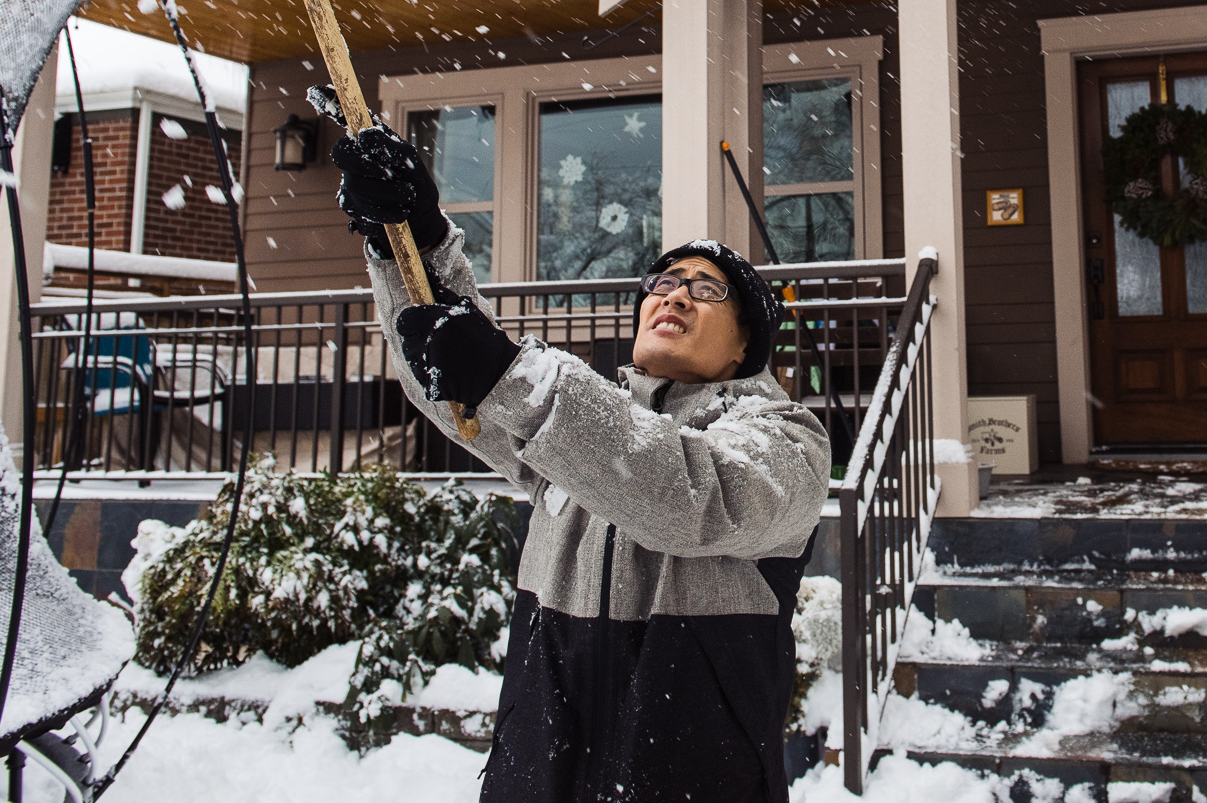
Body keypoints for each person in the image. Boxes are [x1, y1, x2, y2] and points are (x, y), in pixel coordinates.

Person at [329, 115, 831, 803]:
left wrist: (512, 374)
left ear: (747, 347)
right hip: (540, 779)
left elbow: (692, 496)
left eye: (708, 289)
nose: (676, 292)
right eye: (663, 280)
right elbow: (450, 386)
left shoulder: (783, 437)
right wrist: (409, 239)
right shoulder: (568, 438)